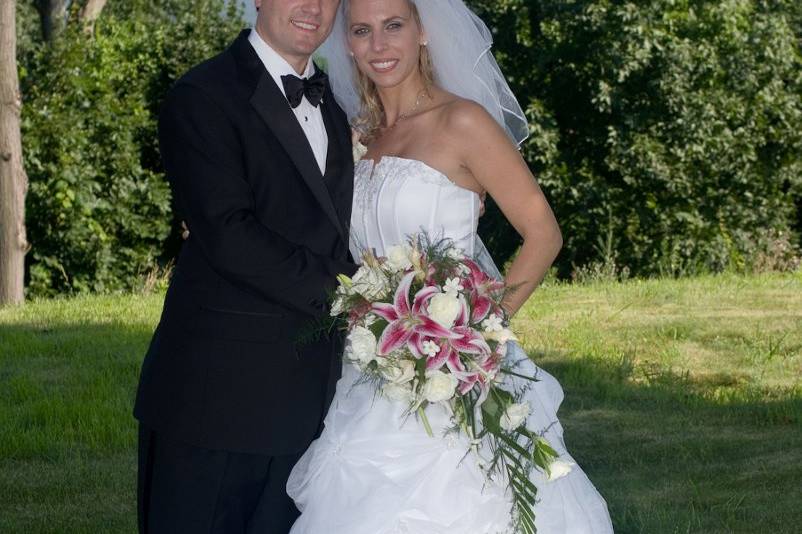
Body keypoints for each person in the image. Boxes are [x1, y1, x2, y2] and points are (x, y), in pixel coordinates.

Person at [285, 0, 615, 532]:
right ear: (346, 43)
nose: (379, 46)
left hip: (461, 367)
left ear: (422, 31)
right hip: (374, 369)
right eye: (363, 31)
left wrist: (482, 331)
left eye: (394, 26)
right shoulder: (356, 137)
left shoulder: (463, 121)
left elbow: (543, 233)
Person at [132, 1, 357, 532]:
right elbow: (229, 234)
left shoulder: (339, 106)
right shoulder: (202, 96)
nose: (313, 7)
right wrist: (354, 293)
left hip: (317, 404)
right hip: (219, 404)